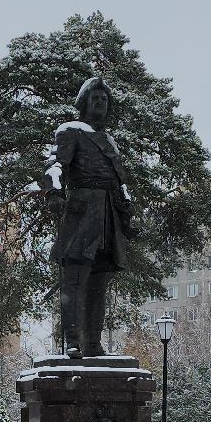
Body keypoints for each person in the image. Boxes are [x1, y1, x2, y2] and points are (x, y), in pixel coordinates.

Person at [44, 76, 137, 359]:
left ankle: (93, 344)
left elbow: (120, 182)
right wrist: (55, 191)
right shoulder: (70, 131)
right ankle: (73, 342)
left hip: (108, 214)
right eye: (95, 98)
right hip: (82, 212)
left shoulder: (109, 140)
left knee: (99, 284)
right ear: (83, 103)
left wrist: (128, 215)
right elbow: (55, 164)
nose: (101, 103)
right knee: (74, 280)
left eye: (104, 99)